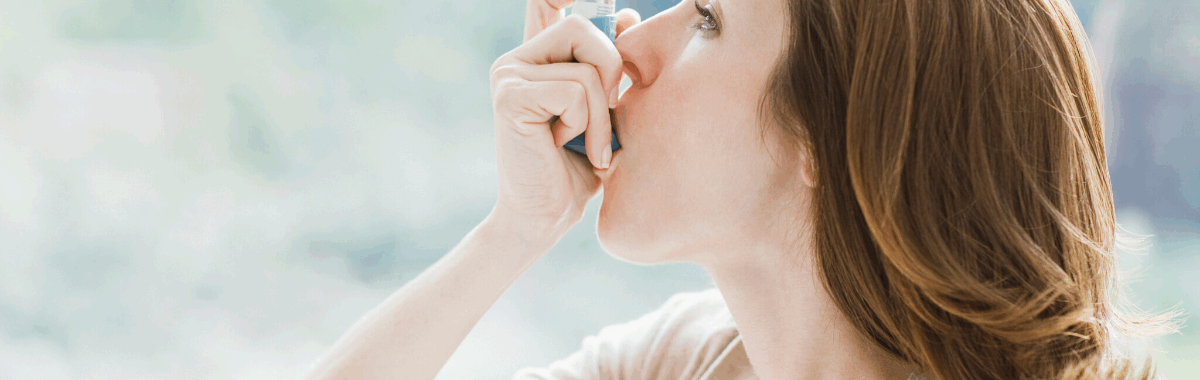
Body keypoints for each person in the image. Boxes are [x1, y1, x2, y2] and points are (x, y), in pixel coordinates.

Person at [304, 0, 1175, 379]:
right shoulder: (679, 361)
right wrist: (516, 228)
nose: (630, 45)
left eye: (709, 20)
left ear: (832, 139)